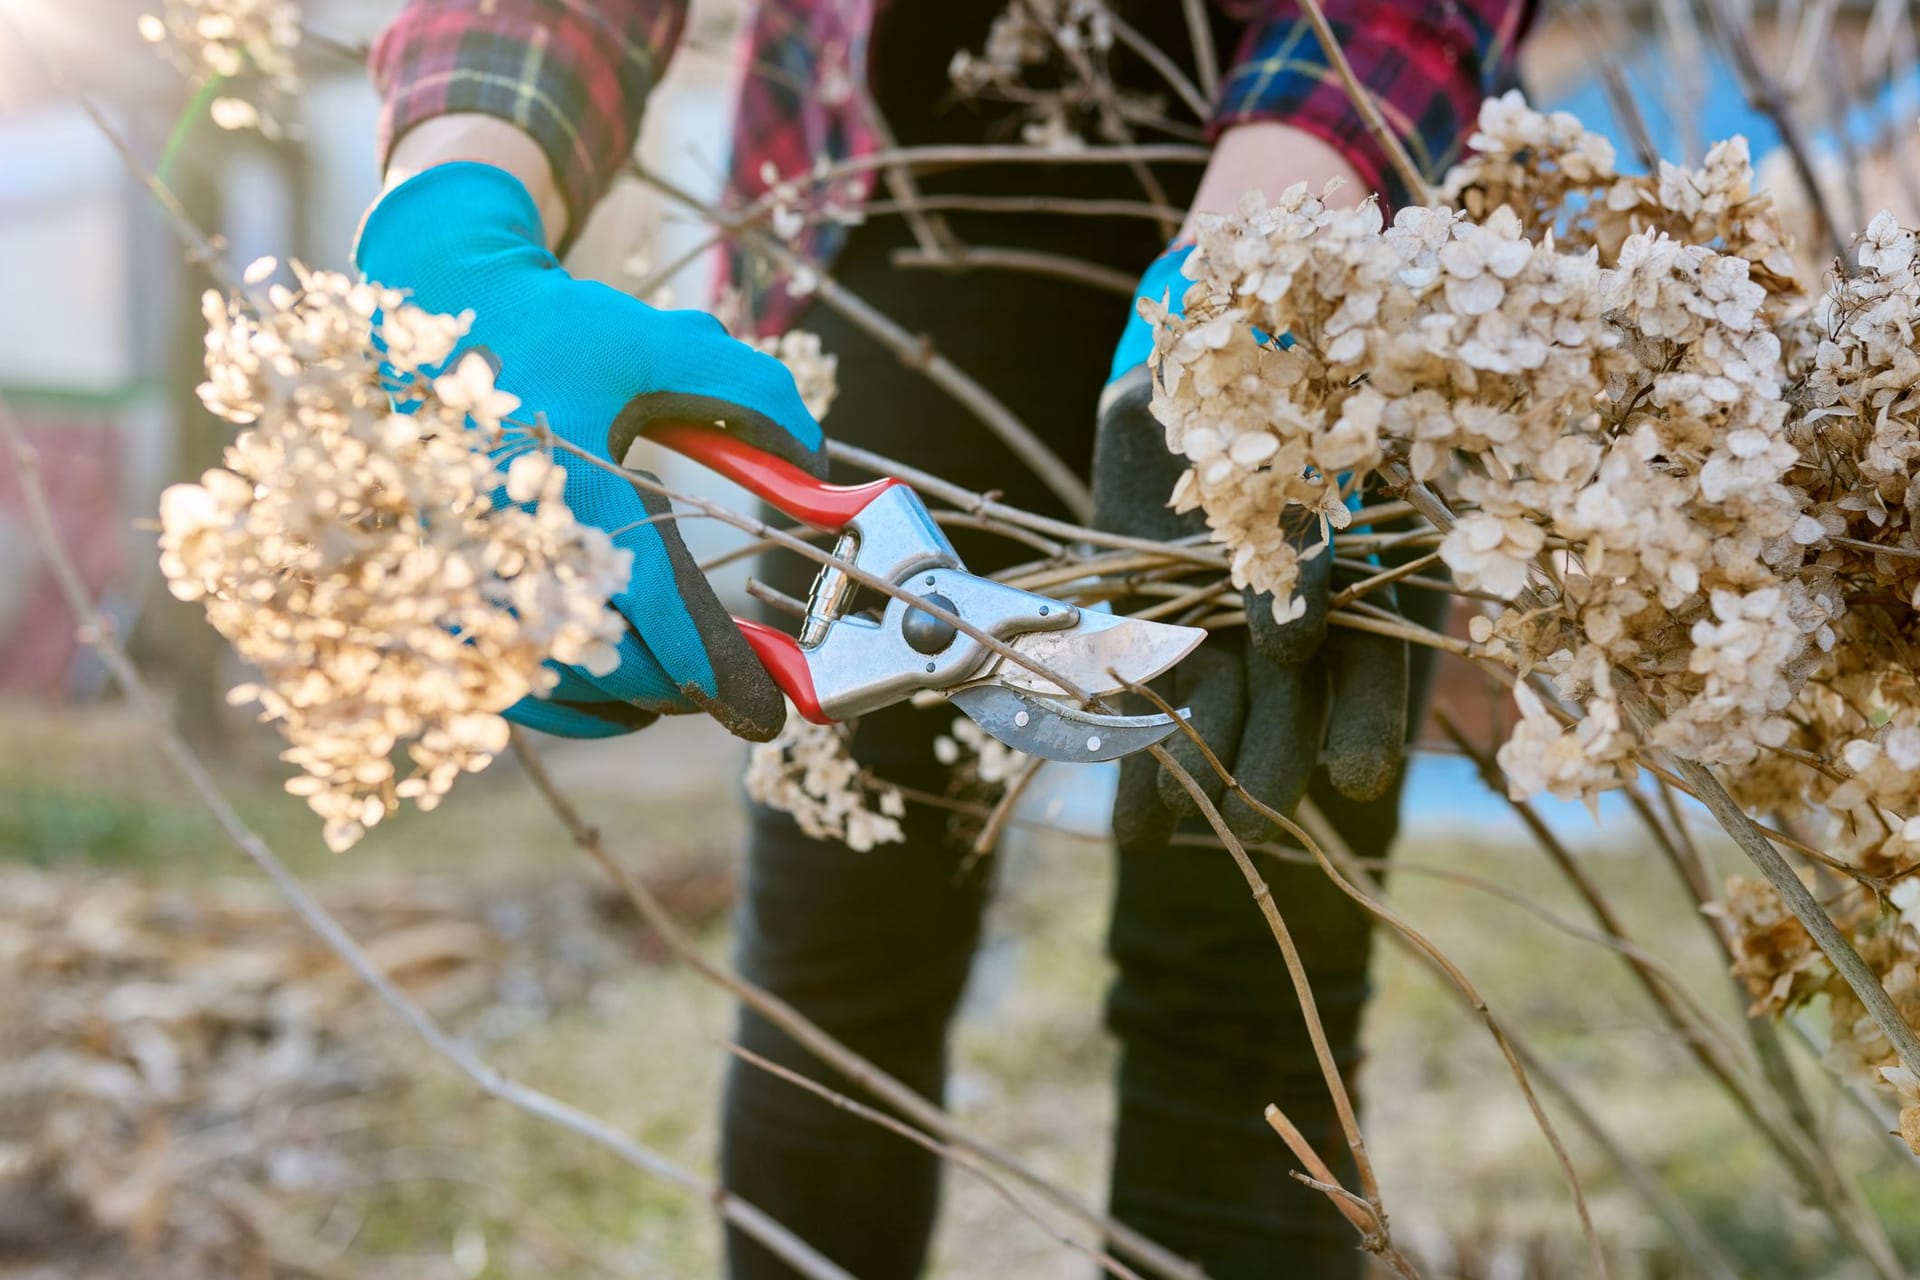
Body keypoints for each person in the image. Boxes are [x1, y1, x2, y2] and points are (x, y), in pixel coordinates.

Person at [354, 2, 1530, 1275]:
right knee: (841, 961)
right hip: (905, 187)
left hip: (1325, 213)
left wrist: (1269, 251)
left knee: (1249, 976)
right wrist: (451, 219)